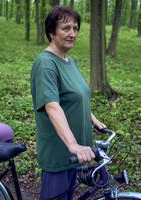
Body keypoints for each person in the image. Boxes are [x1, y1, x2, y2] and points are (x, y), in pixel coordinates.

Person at [30, 6, 106, 200]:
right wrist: (73, 145)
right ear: (51, 32)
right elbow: (52, 105)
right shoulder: (46, 64)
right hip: (60, 151)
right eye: (65, 28)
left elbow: (74, 96)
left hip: (77, 151)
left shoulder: (68, 61)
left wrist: (93, 119)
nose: (72, 33)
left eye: (75, 28)